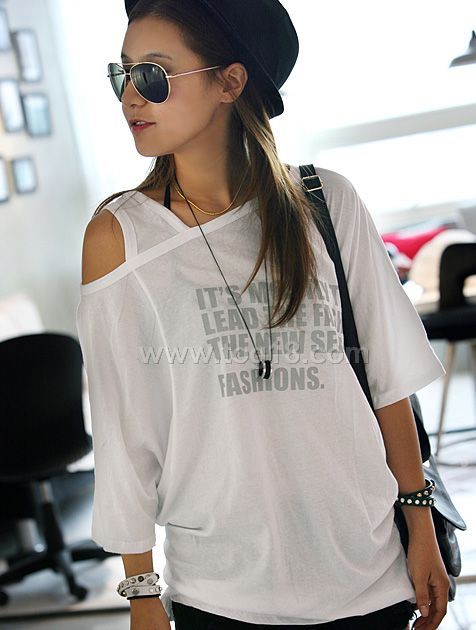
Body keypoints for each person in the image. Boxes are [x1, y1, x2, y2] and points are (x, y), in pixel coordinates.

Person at [76, 0, 451, 628]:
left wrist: (421, 526)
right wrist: (141, 589)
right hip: (222, 591)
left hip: (369, 572)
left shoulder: (325, 202)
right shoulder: (121, 237)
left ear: (230, 82)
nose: (130, 98)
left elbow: (387, 381)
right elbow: (124, 430)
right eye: (123, 74)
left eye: (153, 75)